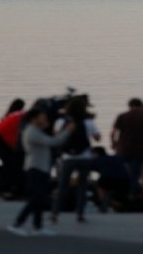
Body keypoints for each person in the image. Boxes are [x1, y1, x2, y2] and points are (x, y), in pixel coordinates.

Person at [7, 105, 75, 237]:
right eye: (42, 117)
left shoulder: (35, 130)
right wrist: (67, 131)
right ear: (34, 119)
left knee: (39, 199)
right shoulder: (32, 132)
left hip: (41, 167)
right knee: (36, 198)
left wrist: (46, 128)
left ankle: (38, 227)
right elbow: (54, 142)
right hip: (35, 168)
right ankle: (16, 224)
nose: (45, 119)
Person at [52, 95, 100, 223]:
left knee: (62, 185)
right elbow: (97, 137)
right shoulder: (88, 121)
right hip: (85, 156)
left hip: (67, 157)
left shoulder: (62, 121)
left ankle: (55, 213)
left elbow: (57, 135)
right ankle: (80, 214)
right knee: (82, 186)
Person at [112, 98, 143, 196]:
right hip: (139, 151)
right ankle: (142, 195)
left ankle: (124, 195)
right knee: (139, 173)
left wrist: (114, 143)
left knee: (123, 173)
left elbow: (113, 132)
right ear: (140, 106)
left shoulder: (122, 116)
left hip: (123, 150)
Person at [0, 103, 26, 198]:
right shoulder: (24, 118)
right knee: (10, 164)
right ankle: (7, 188)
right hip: (0, 137)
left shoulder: (16, 115)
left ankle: (9, 187)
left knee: (11, 163)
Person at [90, 146, 131, 211]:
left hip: (107, 180)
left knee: (99, 185)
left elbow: (90, 169)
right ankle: (118, 203)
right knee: (121, 197)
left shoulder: (98, 160)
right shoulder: (117, 157)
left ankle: (103, 201)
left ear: (96, 153)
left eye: (92, 154)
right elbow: (127, 167)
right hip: (124, 181)